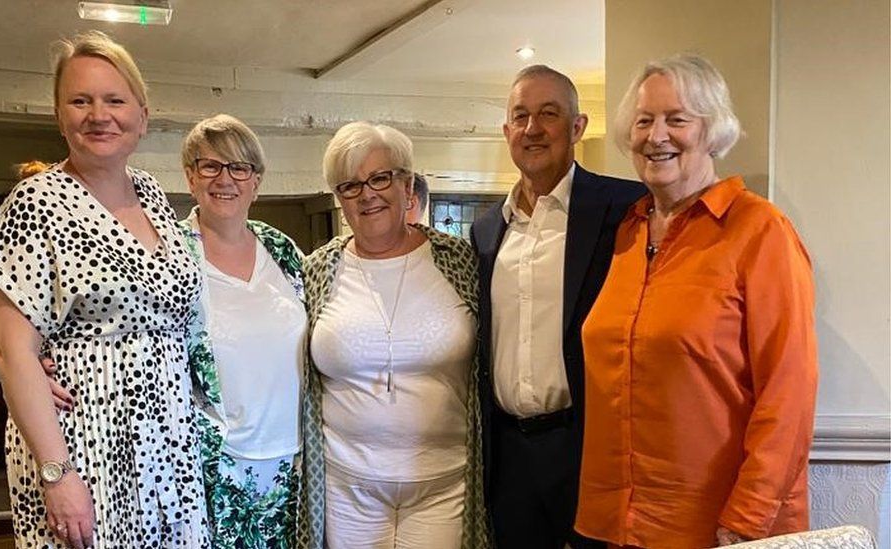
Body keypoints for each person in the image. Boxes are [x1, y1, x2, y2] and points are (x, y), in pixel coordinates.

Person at [0, 31, 207, 548]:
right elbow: (12, 352)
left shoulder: (150, 193)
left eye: (114, 100)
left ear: (142, 116)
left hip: (164, 444)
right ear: (60, 116)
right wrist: (58, 474)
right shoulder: (35, 202)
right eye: (80, 101)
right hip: (84, 445)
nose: (99, 115)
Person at [576, 54, 817, 548]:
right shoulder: (627, 232)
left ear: (713, 130)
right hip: (615, 524)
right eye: (644, 120)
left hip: (717, 527)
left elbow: (789, 389)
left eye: (677, 119)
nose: (656, 135)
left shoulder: (759, 230)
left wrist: (747, 518)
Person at [469, 65, 644, 549]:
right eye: (520, 116)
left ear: (577, 126)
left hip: (586, 448)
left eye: (549, 113)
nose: (533, 128)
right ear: (506, 132)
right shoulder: (486, 232)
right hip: (508, 457)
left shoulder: (624, 209)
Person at [300, 121, 489, 549]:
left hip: (443, 484)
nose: (367, 194)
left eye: (380, 177)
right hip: (347, 487)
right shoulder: (316, 271)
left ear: (407, 185)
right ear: (340, 199)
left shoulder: (458, 259)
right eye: (350, 185)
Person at [177, 114, 309, 548]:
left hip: (296, 463)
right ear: (191, 176)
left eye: (239, 167)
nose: (225, 179)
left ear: (256, 181)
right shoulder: (170, 255)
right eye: (210, 166)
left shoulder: (282, 249)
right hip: (214, 469)